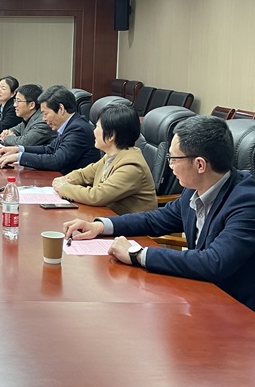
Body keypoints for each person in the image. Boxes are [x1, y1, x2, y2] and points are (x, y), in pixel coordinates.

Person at [63, 115, 255, 311]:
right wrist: (100, 226)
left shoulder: (247, 202)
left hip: (237, 309)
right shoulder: (194, 188)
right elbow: (156, 219)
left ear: (200, 165)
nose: (169, 165)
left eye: (173, 158)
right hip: (201, 294)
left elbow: (214, 262)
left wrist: (137, 254)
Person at [52, 104, 157, 215]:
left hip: (128, 224)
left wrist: (64, 188)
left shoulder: (131, 166)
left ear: (111, 136)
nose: (94, 131)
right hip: (108, 216)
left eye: (97, 127)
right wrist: (64, 180)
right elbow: (83, 174)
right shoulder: (112, 156)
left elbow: (96, 196)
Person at [0, 85, 100, 174]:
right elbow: (49, 149)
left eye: (46, 113)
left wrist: (19, 157)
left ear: (61, 109)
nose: (44, 119)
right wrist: (18, 149)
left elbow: (56, 160)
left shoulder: (78, 129)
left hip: (75, 186)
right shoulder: (70, 124)